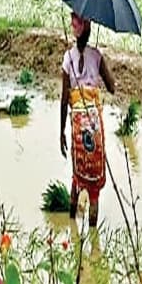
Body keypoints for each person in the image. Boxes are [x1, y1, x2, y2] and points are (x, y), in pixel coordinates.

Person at [58, 13, 116, 228]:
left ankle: (72, 223)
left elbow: (64, 100)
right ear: (90, 30)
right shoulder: (96, 56)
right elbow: (112, 87)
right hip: (94, 126)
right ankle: (93, 233)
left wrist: (61, 132)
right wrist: (100, 66)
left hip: (77, 126)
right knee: (93, 190)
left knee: (77, 178)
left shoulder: (68, 58)